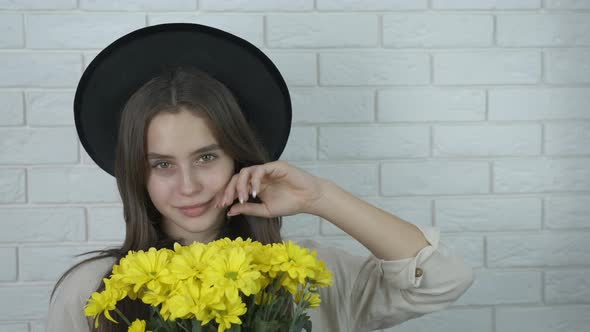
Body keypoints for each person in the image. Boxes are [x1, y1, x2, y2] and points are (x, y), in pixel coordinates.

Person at [46, 23, 475, 332]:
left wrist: (320, 197)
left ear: (238, 158)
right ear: (137, 176)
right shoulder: (90, 290)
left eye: (207, 156)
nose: (189, 185)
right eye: (162, 164)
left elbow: (442, 280)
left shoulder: (309, 275)